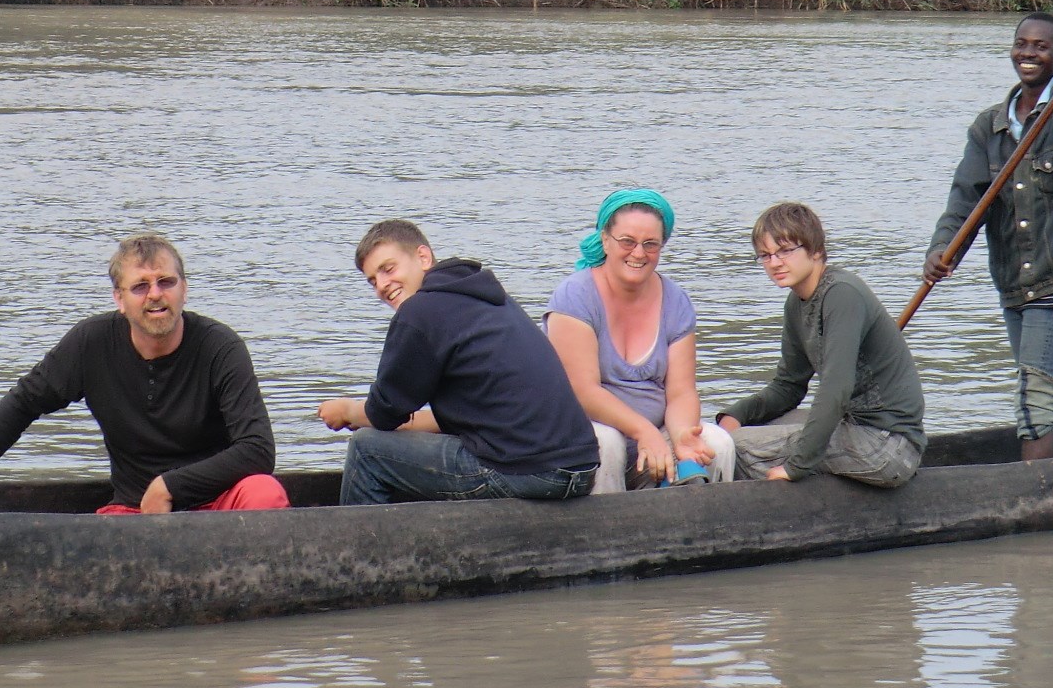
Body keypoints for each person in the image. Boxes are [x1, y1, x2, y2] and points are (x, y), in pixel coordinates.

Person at [0, 232, 288, 514]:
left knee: (264, 492)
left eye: (166, 282)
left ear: (184, 290)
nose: (155, 294)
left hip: (219, 504)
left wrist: (171, 486)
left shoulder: (220, 346)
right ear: (119, 299)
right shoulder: (91, 343)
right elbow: (24, 402)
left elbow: (257, 449)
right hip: (134, 509)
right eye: (140, 286)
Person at [923, 11, 1053, 461]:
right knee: (1050, 390)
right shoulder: (990, 126)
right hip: (1014, 282)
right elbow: (966, 198)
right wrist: (943, 249)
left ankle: (1034, 493)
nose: (1028, 53)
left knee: (1033, 396)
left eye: (1041, 47)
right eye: (1022, 44)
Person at [317, 220, 599, 505]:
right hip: (581, 466)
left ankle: (358, 547)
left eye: (388, 269)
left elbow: (384, 413)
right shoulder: (480, 296)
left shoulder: (420, 312)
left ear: (423, 257)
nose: (381, 286)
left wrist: (348, 411)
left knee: (367, 450)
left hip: (530, 472)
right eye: (373, 281)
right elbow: (458, 416)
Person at [716, 202, 926, 487]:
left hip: (888, 446)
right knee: (744, 432)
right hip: (856, 429)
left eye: (785, 251)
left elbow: (836, 389)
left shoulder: (842, 294)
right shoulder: (796, 302)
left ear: (815, 250)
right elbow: (788, 386)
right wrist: (736, 416)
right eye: (765, 255)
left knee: (736, 449)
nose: (775, 263)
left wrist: (796, 466)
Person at [544, 189, 735, 490]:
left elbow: (681, 392)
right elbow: (582, 391)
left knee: (718, 442)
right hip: (585, 431)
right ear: (605, 240)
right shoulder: (575, 296)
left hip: (654, 432)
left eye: (650, 244)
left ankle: (706, 526)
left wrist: (683, 435)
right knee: (606, 443)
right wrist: (644, 431)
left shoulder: (676, 301)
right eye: (627, 242)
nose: (638, 253)